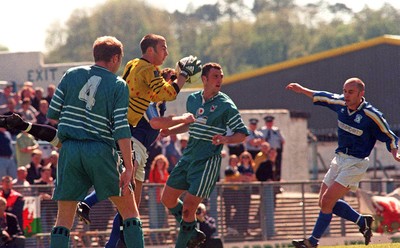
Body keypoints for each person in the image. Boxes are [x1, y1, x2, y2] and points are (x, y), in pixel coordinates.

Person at [46, 36, 144, 248]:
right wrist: (128, 166)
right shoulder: (118, 85)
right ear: (116, 58)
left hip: (70, 150)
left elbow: (52, 113)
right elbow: (121, 129)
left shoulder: (71, 75)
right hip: (100, 150)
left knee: (63, 219)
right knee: (129, 211)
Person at [286, 78, 400, 248]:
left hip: (356, 163)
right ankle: (362, 221)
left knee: (327, 200)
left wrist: (395, 151)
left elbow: (390, 136)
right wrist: (302, 89)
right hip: (338, 159)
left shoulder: (371, 115)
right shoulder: (340, 103)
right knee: (323, 202)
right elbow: (322, 96)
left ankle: (312, 242)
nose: (346, 95)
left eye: (350, 92)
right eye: (345, 91)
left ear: (361, 94)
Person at [160, 62, 249, 248]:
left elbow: (242, 133)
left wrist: (225, 139)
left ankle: (184, 242)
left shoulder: (226, 105)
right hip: (188, 157)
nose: (220, 80)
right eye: (215, 76)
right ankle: (192, 230)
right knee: (166, 199)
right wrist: (170, 131)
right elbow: (190, 125)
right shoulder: (192, 99)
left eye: (221, 76)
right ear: (204, 79)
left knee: (188, 209)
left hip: (207, 162)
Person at [260, 115, 285, 181]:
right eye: (268, 122)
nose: (269, 124)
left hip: (276, 151)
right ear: (265, 123)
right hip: (266, 152)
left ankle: (277, 180)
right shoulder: (262, 130)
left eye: (270, 122)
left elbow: (283, 140)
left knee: (277, 167)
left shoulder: (277, 130)